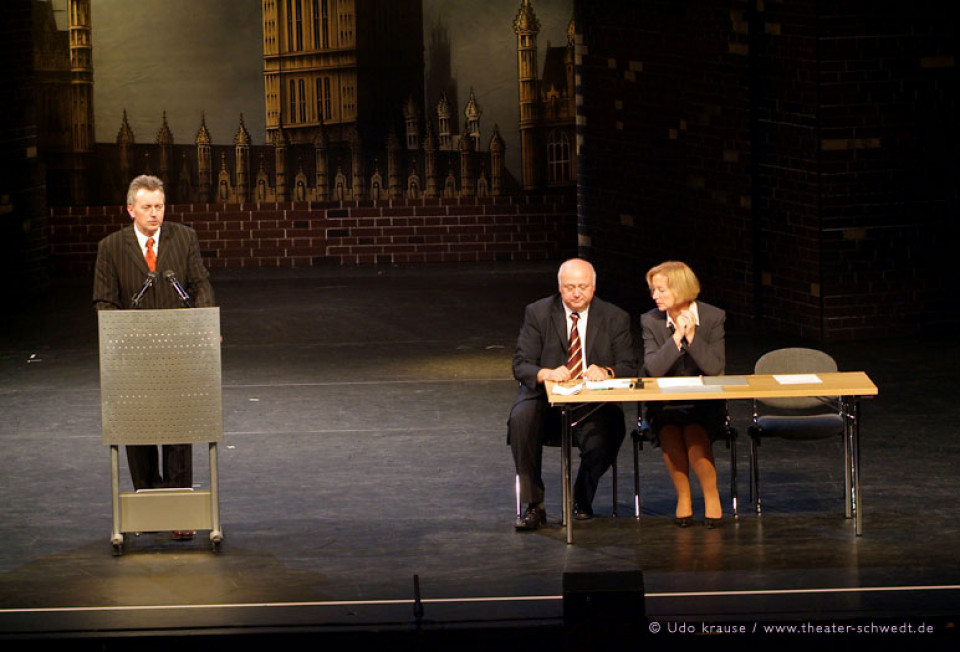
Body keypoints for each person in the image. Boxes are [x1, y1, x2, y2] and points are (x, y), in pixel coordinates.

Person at [93, 175, 216, 538]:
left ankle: (179, 514)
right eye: (146, 207)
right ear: (130, 208)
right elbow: (104, 301)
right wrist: (123, 336)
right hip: (134, 355)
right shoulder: (111, 247)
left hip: (179, 350)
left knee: (179, 430)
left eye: (159, 207)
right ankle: (147, 507)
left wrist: (205, 327)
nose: (154, 214)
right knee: (139, 430)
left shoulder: (184, 238)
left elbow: (200, 284)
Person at [508, 258, 637, 530]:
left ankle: (581, 497)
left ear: (593, 286)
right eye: (569, 287)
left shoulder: (615, 317)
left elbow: (629, 365)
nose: (576, 293)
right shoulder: (538, 312)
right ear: (559, 287)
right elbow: (521, 364)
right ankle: (534, 505)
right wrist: (545, 373)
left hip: (593, 402)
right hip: (546, 400)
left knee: (608, 431)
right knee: (521, 417)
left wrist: (607, 370)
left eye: (582, 286)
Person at [641, 261, 725, 528]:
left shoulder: (712, 317)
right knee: (669, 428)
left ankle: (712, 497)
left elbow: (715, 367)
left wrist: (692, 337)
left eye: (661, 290)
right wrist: (676, 337)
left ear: (680, 289)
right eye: (653, 290)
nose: (655, 296)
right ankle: (684, 497)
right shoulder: (651, 321)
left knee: (694, 429)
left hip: (705, 399)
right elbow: (652, 369)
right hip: (665, 400)